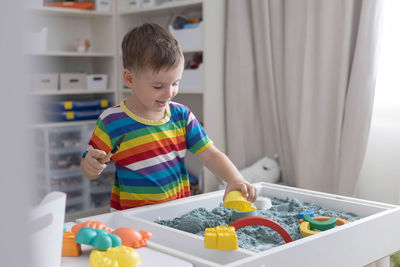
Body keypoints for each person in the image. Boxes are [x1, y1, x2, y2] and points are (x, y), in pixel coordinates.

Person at [80, 23, 257, 210]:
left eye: (175, 83)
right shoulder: (111, 121)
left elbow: (210, 154)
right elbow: (90, 168)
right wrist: (90, 165)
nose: (169, 93)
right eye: (158, 86)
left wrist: (235, 178)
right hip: (132, 218)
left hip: (177, 211)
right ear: (130, 79)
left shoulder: (182, 116)